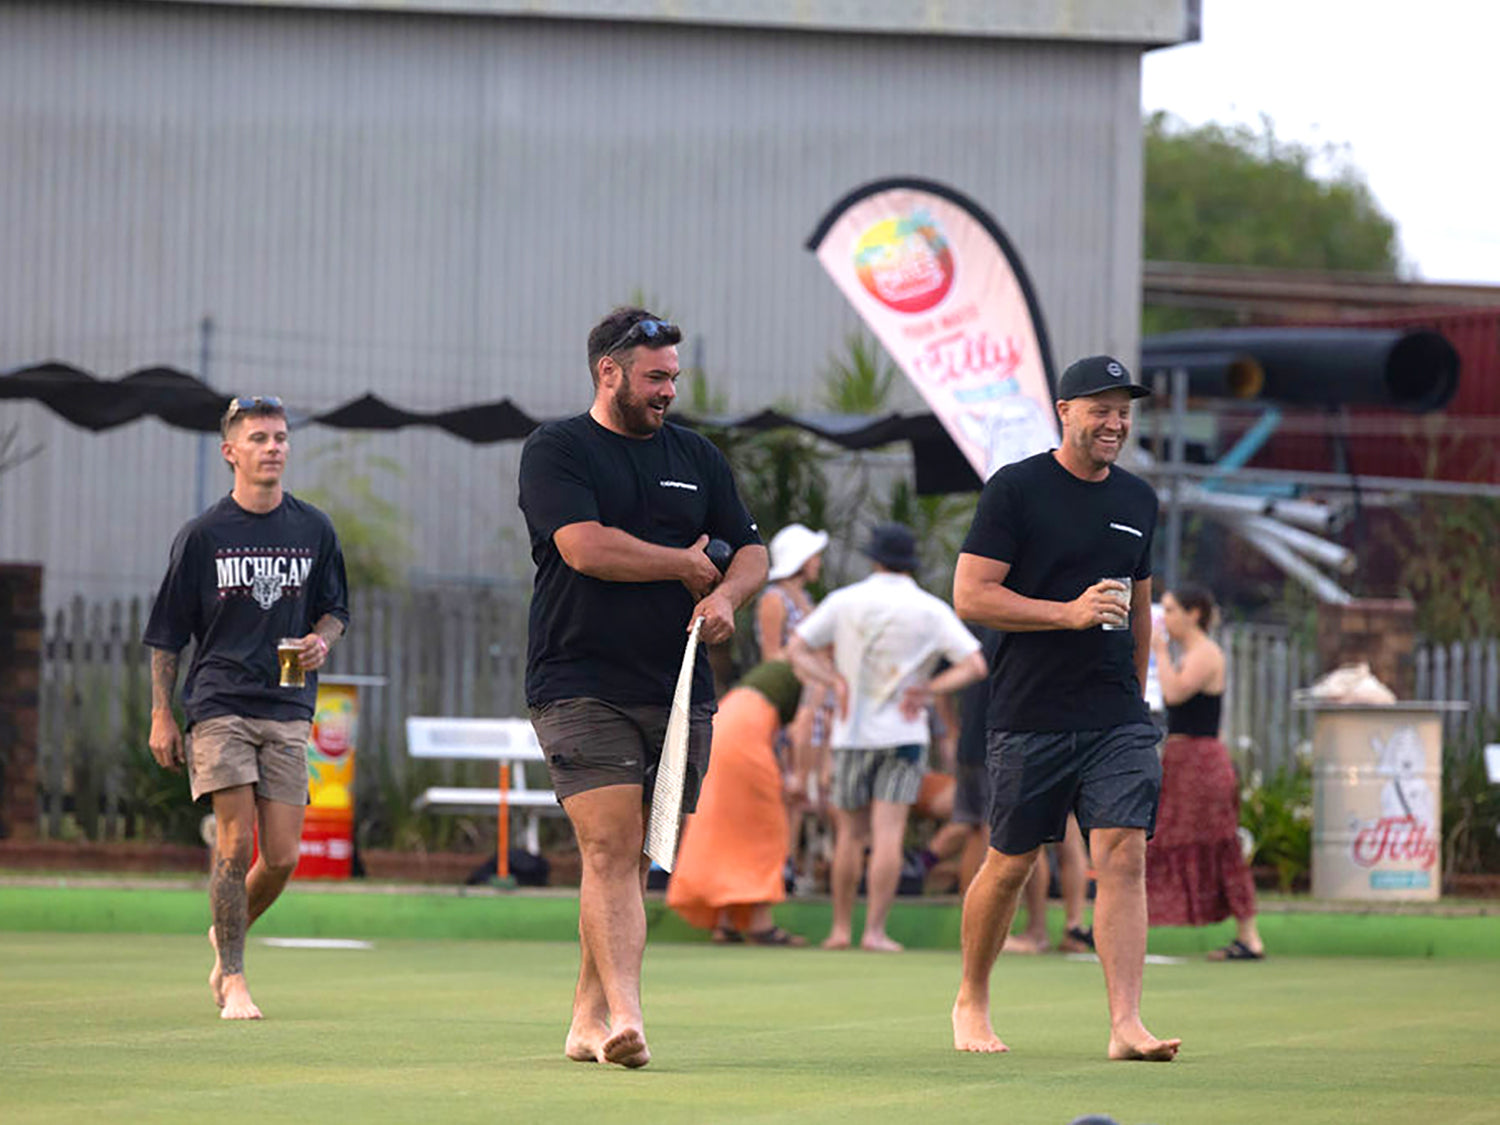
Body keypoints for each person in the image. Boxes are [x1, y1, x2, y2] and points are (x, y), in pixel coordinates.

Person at [517, 307, 767, 1069]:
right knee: (609, 843)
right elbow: (584, 548)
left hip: (679, 682)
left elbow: (752, 551)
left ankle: (587, 1017)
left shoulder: (698, 455)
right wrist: (685, 564)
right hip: (579, 679)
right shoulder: (557, 449)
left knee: (630, 861)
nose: (667, 391)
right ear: (609, 371)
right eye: (655, 376)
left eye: (673, 377)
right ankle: (627, 1014)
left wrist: (726, 597)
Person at [949, 355, 1180, 1061]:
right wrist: (1067, 613)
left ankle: (1125, 1024)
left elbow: (1140, 611)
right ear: (1065, 410)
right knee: (1011, 861)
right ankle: (972, 997)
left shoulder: (1139, 499)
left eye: (1124, 411)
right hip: (1029, 712)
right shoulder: (1016, 490)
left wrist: (1136, 702)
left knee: (1122, 853)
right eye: (1100, 409)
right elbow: (972, 595)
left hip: (1116, 715)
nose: (1114, 423)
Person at [144, 395, 349, 1021]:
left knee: (282, 856)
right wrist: (161, 714)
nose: (274, 448)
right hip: (219, 703)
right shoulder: (205, 535)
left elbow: (336, 610)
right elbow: (166, 633)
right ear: (231, 451)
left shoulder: (313, 529)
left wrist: (322, 640)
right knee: (234, 844)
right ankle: (232, 978)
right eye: (259, 438)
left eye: (281, 438)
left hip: (287, 705)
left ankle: (224, 928)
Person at [787, 523, 987, 952]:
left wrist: (833, 679)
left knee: (850, 835)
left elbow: (796, 649)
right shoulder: (929, 609)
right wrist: (929, 690)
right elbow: (974, 664)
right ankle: (876, 931)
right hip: (903, 734)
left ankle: (841, 930)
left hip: (851, 734)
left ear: (874, 558)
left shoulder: (845, 601)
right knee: (889, 834)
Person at [1148, 585, 1265, 960]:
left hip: (1201, 761)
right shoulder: (1191, 652)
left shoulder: (1204, 654)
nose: (1163, 620)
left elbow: (1175, 694)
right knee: (1166, 837)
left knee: (1219, 842)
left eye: (1169, 610)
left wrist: (1159, 651)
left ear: (1193, 613)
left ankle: (1249, 936)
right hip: (1183, 759)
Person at [666, 660, 807, 945]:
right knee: (767, 828)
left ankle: (728, 921)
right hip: (745, 741)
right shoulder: (810, 672)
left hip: (723, 728)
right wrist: (800, 775)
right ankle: (760, 924)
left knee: (728, 829)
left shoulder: (771, 671)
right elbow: (800, 731)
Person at [755, 523, 833, 876]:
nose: (818, 562)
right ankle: (778, 865)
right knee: (788, 785)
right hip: (793, 705)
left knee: (808, 792)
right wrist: (808, 665)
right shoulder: (774, 599)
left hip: (818, 703)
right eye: (814, 555)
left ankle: (793, 866)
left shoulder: (807, 599)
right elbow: (772, 655)